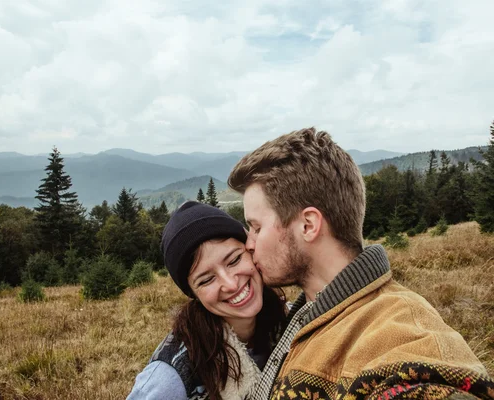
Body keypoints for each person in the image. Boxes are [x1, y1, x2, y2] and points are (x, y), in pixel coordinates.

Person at [227, 127, 494, 400]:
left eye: (256, 227)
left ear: (308, 225)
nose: (249, 243)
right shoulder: (311, 309)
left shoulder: (402, 335)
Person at [127, 201, 288, 400]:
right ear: (193, 294)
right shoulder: (170, 378)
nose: (230, 284)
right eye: (206, 279)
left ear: (250, 250)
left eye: (234, 260)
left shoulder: (291, 323)